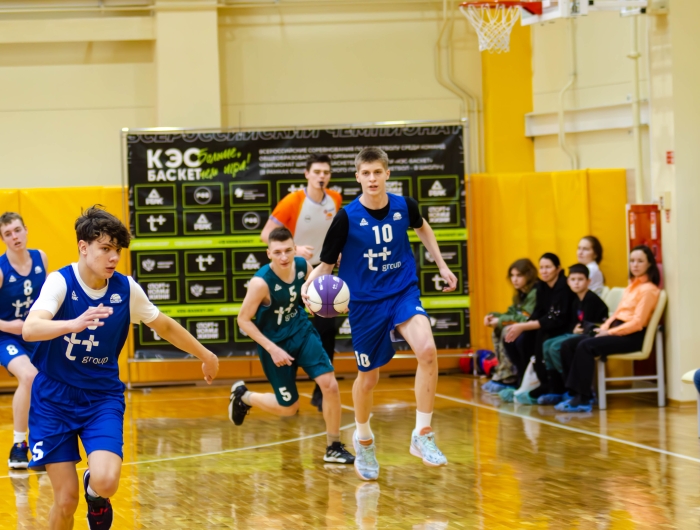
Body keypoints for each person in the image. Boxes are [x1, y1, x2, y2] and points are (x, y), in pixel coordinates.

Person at [22, 206, 219, 530]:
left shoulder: (125, 289)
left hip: (101, 398)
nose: (113, 257)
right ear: (83, 247)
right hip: (54, 399)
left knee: (107, 481)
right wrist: (72, 323)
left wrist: (205, 355)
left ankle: (96, 493)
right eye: (105, 248)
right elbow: (30, 329)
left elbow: (164, 326)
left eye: (117, 250)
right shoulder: (60, 282)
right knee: (66, 500)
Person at [301, 146, 458, 481]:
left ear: (387, 174)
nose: (372, 178)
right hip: (365, 303)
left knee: (428, 351)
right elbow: (327, 264)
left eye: (377, 172)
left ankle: (422, 434)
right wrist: (309, 285)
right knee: (368, 379)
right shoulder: (346, 217)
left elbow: (423, 227)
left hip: (402, 292)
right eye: (366, 173)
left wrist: (442, 265)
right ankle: (364, 440)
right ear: (357, 177)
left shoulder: (405, 206)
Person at [228, 226, 355, 465]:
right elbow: (243, 320)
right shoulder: (260, 283)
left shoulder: (302, 266)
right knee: (288, 408)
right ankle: (244, 397)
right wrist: (272, 349)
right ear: (269, 254)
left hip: (301, 332)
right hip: (275, 344)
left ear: (295, 249)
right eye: (277, 252)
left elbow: (314, 293)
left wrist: (334, 304)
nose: (284, 257)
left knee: (330, 385)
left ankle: (333, 446)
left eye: (288, 250)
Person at [260, 153, 342, 412]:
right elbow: (266, 234)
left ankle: (321, 391)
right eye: (316, 172)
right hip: (295, 271)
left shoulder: (335, 199)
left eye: (325, 172)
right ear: (307, 174)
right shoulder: (293, 200)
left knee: (327, 330)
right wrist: (294, 250)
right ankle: (290, 391)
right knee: (292, 327)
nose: (321, 176)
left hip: (324, 272)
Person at [555, 245, 661, 413]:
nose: (635, 265)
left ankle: (583, 398)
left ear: (649, 264)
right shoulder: (631, 286)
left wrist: (609, 332)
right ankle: (575, 392)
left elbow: (637, 322)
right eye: (632, 261)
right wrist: (603, 328)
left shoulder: (649, 290)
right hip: (615, 330)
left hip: (631, 336)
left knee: (585, 346)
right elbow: (617, 313)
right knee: (568, 344)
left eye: (640, 261)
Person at [0, 212, 47, 469]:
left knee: (53, 379)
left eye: (17, 230)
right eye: (8, 234)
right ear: (3, 239)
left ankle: (44, 443)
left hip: (33, 333)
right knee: (28, 376)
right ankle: (18, 446)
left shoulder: (41, 258)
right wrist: (10, 325)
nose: (15, 237)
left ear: (26, 230)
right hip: (5, 336)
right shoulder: (1, 270)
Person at [501, 253, 575, 404]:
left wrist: (524, 326)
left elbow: (556, 318)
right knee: (518, 339)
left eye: (548, 267)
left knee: (539, 338)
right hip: (547, 326)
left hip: (565, 327)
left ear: (558, 269)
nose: (544, 271)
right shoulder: (542, 287)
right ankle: (525, 380)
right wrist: (524, 326)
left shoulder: (564, 287)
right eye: (541, 268)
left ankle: (553, 386)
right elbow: (538, 312)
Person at [535, 263, 608, 405]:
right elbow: (573, 322)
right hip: (578, 334)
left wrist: (579, 330)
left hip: (591, 336)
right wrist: (573, 329)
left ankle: (571, 387)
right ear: (568, 282)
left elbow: (594, 323)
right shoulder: (575, 300)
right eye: (573, 279)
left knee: (556, 347)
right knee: (547, 344)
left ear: (588, 281)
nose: (576, 283)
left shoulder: (591, 299)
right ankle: (557, 386)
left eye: (580, 279)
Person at [482, 258, 537, 394]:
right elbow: (512, 313)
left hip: (534, 328)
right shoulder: (520, 293)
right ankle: (503, 371)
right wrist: (492, 316)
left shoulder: (534, 292)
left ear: (529, 275)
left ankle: (510, 375)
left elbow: (525, 317)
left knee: (507, 329)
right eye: (512, 276)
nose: (514, 279)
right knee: (498, 329)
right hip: (525, 327)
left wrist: (500, 321)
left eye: (519, 275)